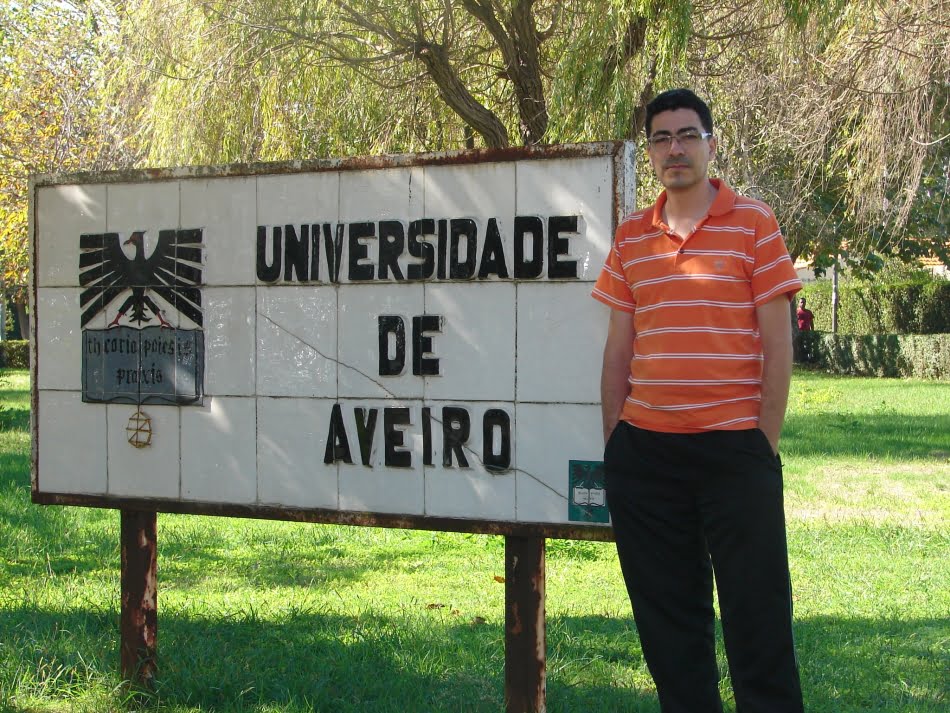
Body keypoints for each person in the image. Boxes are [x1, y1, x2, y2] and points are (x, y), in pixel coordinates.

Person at [592, 88, 804, 713]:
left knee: (758, 617)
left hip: (735, 452)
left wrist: (762, 444)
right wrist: (616, 444)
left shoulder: (754, 223)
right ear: (651, 152)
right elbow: (618, 350)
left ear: (711, 144)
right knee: (670, 631)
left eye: (688, 135)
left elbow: (778, 343)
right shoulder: (632, 236)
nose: (675, 148)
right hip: (646, 459)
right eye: (662, 138)